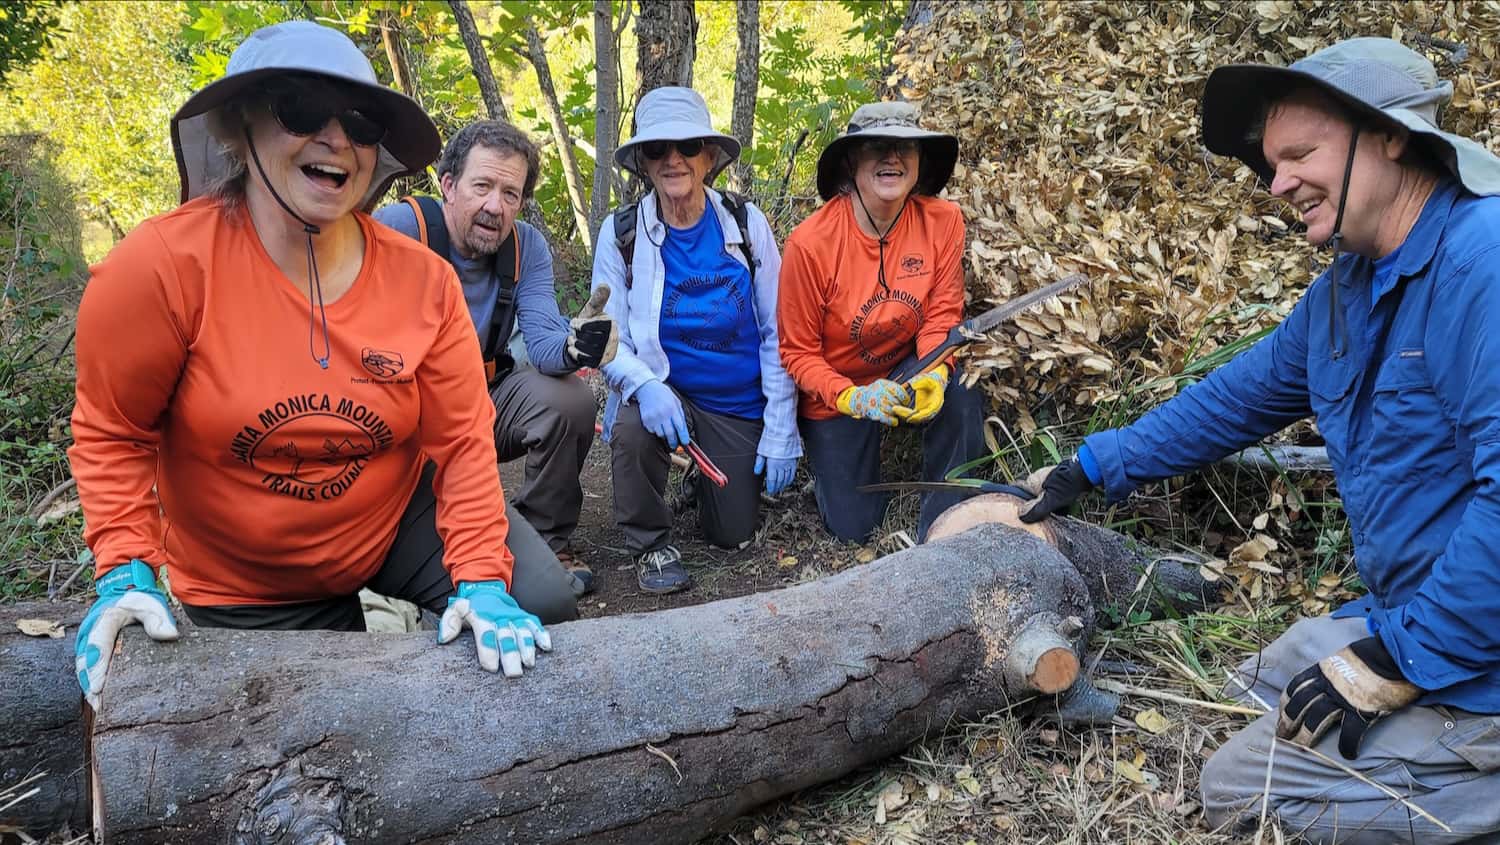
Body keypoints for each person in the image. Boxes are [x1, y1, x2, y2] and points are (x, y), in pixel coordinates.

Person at [1020, 38, 1500, 843]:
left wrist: (1398, 662)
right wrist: (1093, 464)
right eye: (1272, 164)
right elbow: (1229, 402)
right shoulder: (1346, 291)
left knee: (1238, 790)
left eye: (1300, 155)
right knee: (1259, 684)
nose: (1278, 185)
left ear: (1390, 135)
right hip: (1415, 614)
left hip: (1471, 652)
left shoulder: (1481, 262)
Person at [69, 21, 579, 709]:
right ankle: (363, 619)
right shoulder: (158, 271)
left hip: (392, 520)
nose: (336, 139)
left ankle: (425, 608)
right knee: (316, 712)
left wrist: (483, 577)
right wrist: (127, 567)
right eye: (301, 110)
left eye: (362, 123)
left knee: (541, 601)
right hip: (245, 574)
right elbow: (113, 432)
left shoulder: (423, 284)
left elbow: (461, 444)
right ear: (237, 127)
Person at [374, 120, 616, 594]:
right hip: (399, 407)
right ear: (448, 185)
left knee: (569, 401)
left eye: (510, 194)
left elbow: (545, 344)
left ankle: (544, 538)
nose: (494, 206)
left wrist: (574, 347)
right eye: (482, 186)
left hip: (480, 398)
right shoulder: (398, 230)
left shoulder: (526, 246)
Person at [590, 86, 800, 595]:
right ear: (643, 160)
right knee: (635, 426)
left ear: (708, 156)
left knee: (733, 534)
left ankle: (699, 481)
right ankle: (650, 542)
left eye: (687, 147)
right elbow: (605, 334)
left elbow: (778, 331)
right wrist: (646, 387)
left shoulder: (747, 225)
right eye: (658, 149)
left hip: (735, 401)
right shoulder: (622, 233)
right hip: (667, 390)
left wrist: (780, 432)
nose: (673, 159)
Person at [777, 101, 985, 543]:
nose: (892, 158)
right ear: (852, 161)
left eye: (905, 147)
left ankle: (946, 525)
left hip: (906, 367)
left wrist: (935, 371)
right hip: (840, 389)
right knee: (852, 526)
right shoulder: (810, 244)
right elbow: (797, 352)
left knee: (965, 391)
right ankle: (846, 468)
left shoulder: (943, 222)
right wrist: (850, 397)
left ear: (919, 160)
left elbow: (942, 314)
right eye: (876, 147)